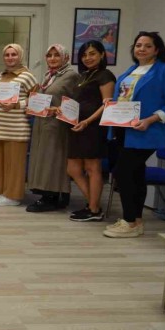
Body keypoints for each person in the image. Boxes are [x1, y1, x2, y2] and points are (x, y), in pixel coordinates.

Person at [103, 32, 165, 238]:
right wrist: (112, 103)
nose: (142, 49)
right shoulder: (132, 70)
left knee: (123, 172)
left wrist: (150, 120)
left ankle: (129, 222)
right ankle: (136, 221)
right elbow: (125, 97)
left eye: (147, 46)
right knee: (136, 174)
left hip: (145, 130)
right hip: (123, 129)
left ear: (156, 50)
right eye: (138, 45)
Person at [66, 41, 116, 222]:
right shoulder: (84, 75)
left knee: (92, 167)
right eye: (84, 55)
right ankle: (94, 205)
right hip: (77, 126)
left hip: (93, 127)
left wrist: (87, 121)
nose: (88, 58)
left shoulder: (105, 75)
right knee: (73, 168)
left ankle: (93, 209)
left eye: (92, 53)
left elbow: (107, 104)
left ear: (102, 55)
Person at [26, 44, 79, 212]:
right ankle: (49, 194)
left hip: (58, 125)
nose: (53, 58)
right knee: (43, 159)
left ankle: (53, 196)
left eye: (57, 55)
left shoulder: (71, 76)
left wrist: (57, 110)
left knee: (53, 160)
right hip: (43, 123)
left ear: (66, 57)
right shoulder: (50, 75)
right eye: (49, 55)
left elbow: (76, 103)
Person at [0, 43, 37, 206]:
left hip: (16, 127)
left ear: (20, 56)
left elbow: (37, 99)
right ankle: (2, 192)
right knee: (0, 163)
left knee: (15, 164)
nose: (10, 58)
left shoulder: (28, 76)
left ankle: (13, 196)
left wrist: (17, 104)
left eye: (13, 54)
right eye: (7, 55)